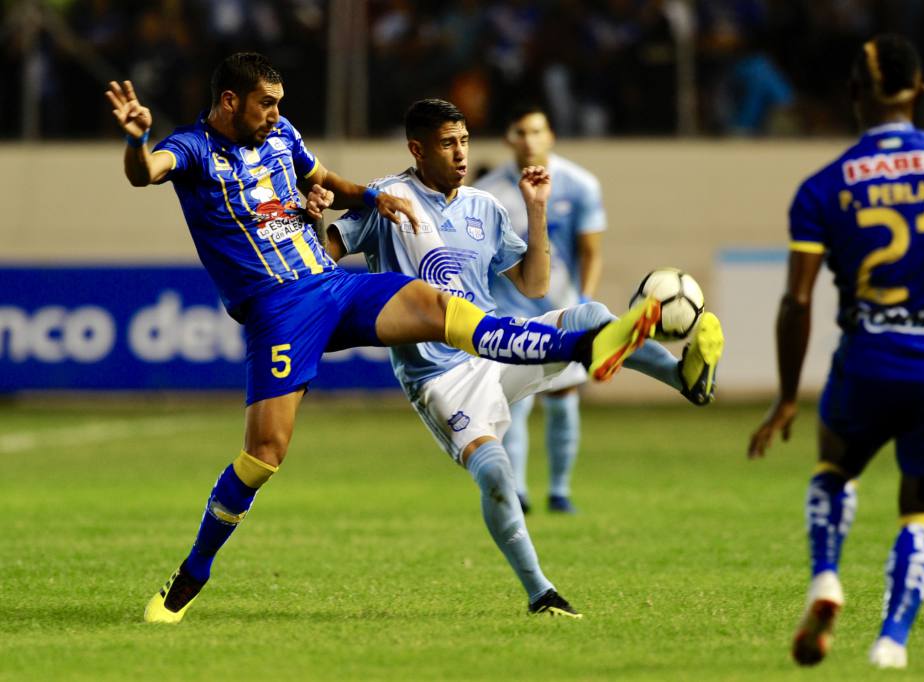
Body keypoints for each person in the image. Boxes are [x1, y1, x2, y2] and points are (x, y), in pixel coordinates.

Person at [105, 52, 663, 624]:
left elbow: (322, 180)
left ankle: (583, 344)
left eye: (279, 103)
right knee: (263, 455)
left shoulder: (281, 136)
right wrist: (136, 142)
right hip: (278, 311)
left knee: (432, 301)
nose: (277, 113)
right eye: (267, 103)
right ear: (230, 102)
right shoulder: (194, 149)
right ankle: (193, 572)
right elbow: (145, 172)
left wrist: (369, 197)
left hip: (329, 286)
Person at [323, 98, 725, 617]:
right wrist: (317, 223)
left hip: (497, 347)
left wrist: (535, 209)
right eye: (448, 143)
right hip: (439, 378)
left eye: (465, 141)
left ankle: (682, 377)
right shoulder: (388, 200)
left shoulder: (484, 208)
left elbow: (535, 286)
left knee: (588, 313)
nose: (461, 153)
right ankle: (541, 592)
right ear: (417, 149)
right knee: (495, 473)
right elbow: (323, 256)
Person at [747, 35, 924, 669]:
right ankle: (893, 641)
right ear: (921, 91)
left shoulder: (822, 187)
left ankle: (825, 575)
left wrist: (787, 396)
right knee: (923, 509)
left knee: (834, 467)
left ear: (852, 96)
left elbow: (797, 301)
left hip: (868, 364)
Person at [475, 105, 606, 514]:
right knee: (512, 403)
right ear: (508, 139)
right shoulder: (490, 192)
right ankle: (519, 493)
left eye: (536, 131)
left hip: (562, 309)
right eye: (520, 131)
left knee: (564, 397)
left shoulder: (580, 184)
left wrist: (584, 299)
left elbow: (590, 252)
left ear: (550, 136)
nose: (529, 140)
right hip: (509, 315)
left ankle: (560, 490)